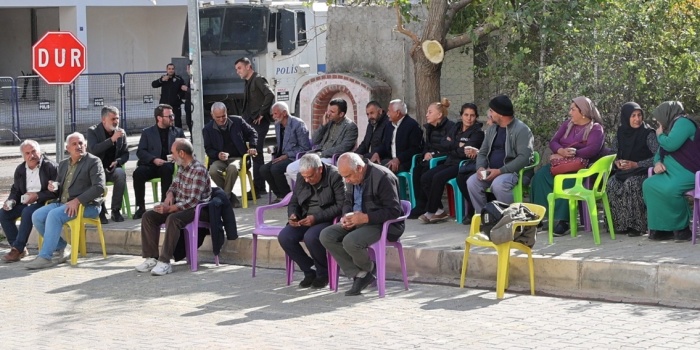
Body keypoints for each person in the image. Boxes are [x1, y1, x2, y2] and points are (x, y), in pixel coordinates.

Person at [319, 153, 404, 296]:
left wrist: (365, 218)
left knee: (350, 241)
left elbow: (394, 211)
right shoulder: (351, 177)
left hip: (382, 224)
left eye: (348, 176)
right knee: (326, 235)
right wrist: (346, 216)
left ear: (359, 168)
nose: (346, 180)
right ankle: (362, 272)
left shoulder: (383, 177)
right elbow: (347, 201)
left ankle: (367, 270)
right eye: (344, 177)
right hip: (358, 220)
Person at [27, 132, 105, 270]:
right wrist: (53, 186)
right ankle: (63, 246)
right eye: (74, 144)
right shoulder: (63, 164)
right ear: (67, 148)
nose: (78, 146)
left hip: (87, 205)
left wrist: (78, 201)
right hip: (63, 203)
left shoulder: (93, 162)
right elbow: (60, 188)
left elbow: (99, 187)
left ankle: (45, 257)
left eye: (81, 143)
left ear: (85, 145)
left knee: (54, 215)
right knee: (37, 216)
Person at [135, 138, 212, 275]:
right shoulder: (182, 168)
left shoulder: (198, 170)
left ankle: (165, 262)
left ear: (182, 153)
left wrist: (169, 209)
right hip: (180, 206)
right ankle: (152, 257)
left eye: (173, 153)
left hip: (197, 209)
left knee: (173, 218)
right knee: (149, 216)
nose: (171, 156)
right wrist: (170, 194)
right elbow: (174, 186)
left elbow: (192, 201)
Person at [530, 96, 604, 236]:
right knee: (539, 177)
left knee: (567, 182)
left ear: (583, 112)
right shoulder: (567, 125)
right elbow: (554, 142)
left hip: (580, 168)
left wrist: (570, 154)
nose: (570, 112)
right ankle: (537, 216)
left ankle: (564, 221)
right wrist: (560, 151)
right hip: (561, 164)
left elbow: (592, 149)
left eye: (573, 109)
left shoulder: (595, 129)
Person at [278, 154, 345, 289]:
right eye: (304, 177)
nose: (307, 180)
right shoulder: (302, 176)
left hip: (326, 218)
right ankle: (309, 270)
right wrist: (293, 215)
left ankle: (323, 273)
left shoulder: (335, 175)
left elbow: (340, 205)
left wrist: (316, 218)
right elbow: (294, 201)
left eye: (310, 176)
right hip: (305, 216)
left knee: (311, 237)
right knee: (285, 237)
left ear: (319, 169)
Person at [466, 95, 535, 216]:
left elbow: (524, 158)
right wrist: (480, 167)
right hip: (491, 171)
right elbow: (482, 152)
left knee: (498, 185)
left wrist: (500, 171)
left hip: (514, 172)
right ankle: (485, 217)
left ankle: (510, 218)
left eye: (492, 111)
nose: (490, 114)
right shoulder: (493, 129)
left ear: (500, 114)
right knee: (472, 182)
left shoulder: (522, 130)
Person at [643, 101, 700, 242]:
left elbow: (670, 144)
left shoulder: (683, 123)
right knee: (649, 185)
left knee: (671, 189)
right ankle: (662, 229)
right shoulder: (670, 128)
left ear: (666, 114)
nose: (658, 122)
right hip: (670, 173)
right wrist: (658, 163)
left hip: (688, 171)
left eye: (659, 117)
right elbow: (659, 153)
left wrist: (660, 135)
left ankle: (682, 229)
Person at [420, 103, 484, 224]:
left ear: (476, 117)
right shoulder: (456, 127)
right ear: (461, 115)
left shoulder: (477, 133)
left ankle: (431, 212)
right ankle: (439, 210)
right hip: (449, 161)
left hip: (462, 165)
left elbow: (465, 153)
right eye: (466, 115)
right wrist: (458, 145)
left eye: (472, 115)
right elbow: (444, 143)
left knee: (438, 177)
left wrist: (453, 146)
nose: (469, 118)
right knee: (425, 177)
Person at [606, 102, 658, 237]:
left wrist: (637, 164)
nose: (637, 119)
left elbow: (658, 157)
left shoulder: (648, 133)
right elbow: (614, 153)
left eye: (639, 115)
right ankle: (619, 224)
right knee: (612, 184)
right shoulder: (621, 132)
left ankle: (637, 226)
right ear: (626, 117)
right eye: (633, 116)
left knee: (632, 183)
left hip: (643, 172)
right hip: (624, 171)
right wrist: (617, 162)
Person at [0, 140, 58, 262]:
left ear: (39, 152)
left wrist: (37, 195)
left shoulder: (50, 166)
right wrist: (11, 201)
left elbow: (56, 191)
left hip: (44, 202)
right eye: (27, 153)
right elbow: (16, 190)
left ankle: (17, 249)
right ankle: (18, 247)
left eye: (33, 151)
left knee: (27, 212)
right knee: (3, 213)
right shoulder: (20, 169)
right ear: (23, 156)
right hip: (25, 202)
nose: (31, 155)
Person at [132, 104, 186, 219]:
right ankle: (140, 207)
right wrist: (153, 159)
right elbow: (140, 151)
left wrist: (176, 156)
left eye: (173, 116)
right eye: (169, 116)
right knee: (138, 173)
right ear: (159, 118)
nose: (172, 118)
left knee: (166, 170)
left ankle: (165, 204)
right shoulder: (147, 132)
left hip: (168, 165)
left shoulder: (177, 132)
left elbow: (185, 150)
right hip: (151, 164)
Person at [285, 98, 358, 181]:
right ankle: (308, 190)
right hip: (317, 155)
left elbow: (343, 148)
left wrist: (322, 154)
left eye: (332, 112)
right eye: (328, 110)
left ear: (341, 114)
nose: (328, 114)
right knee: (291, 169)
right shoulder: (329, 121)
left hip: (332, 158)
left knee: (311, 170)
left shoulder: (351, 127)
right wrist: (323, 126)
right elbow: (315, 140)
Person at [203, 102, 258, 208]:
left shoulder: (237, 121)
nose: (221, 119)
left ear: (226, 113)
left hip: (238, 157)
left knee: (232, 168)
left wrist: (252, 146)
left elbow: (253, 133)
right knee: (213, 170)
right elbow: (208, 149)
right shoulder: (207, 129)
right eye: (218, 117)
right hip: (220, 159)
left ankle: (225, 198)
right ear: (212, 115)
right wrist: (218, 154)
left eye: (223, 116)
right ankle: (230, 197)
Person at [235, 57, 275, 198]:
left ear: (248, 66)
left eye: (239, 68)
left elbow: (270, 95)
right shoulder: (248, 82)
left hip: (258, 123)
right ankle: (258, 186)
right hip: (250, 122)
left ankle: (258, 188)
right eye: (236, 69)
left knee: (256, 153)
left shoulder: (258, 79)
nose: (237, 71)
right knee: (252, 153)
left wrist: (262, 113)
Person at [409, 98, 455, 219]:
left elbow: (449, 148)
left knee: (426, 173)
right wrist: (426, 153)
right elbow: (427, 146)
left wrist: (434, 155)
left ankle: (431, 207)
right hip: (431, 159)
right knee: (417, 170)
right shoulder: (430, 128)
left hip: (443, 160)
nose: (426, 114)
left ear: (439, 115)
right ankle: (422, 205)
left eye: (430, 112)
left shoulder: (451, 127)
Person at [259, 101, 311, 201]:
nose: (273, 116)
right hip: (282, 157)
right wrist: (274, 148)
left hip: (294, 157)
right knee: (263, 169)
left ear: (284, 113)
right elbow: (282, 144)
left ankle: (286, 195)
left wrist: (287, 155)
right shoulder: (278, 124)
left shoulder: (298, 124)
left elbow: (305, 148)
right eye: (272, 114)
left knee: (275, 169)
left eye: (275, 113)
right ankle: (279, 195)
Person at [86, 106, 129, 223]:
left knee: (121, 174)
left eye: (117, 118)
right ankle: (100, 210)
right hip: (96, 170)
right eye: (113, 119)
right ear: (104, 120)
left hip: (113, 168)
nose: (116, 122)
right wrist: (111, 140)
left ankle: (115, 210)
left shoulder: (121, 133)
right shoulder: (93, 131)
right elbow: (94, 149)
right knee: (99, 179)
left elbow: (126, 154)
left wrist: (118, 161)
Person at [376, 99, 423, 173]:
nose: (387, 114)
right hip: (390, 159)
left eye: (389, 111)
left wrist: (399, 159)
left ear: (398, 113)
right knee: (370, 164)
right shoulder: (389, 125)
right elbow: (385, 144)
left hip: (405, 161)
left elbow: (415, 149)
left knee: (382, 171)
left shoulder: (412, 125)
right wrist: (377, 153)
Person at [152, 63, 188, 129]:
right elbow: (153, 85)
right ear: (167, 70)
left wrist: (178, 97)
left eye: (172, 69)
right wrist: (161, 80)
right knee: (165, 122)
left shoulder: (178, 79)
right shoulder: (163, 78)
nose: (171, 70)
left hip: (175, 105)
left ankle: (179, 137)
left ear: (174, 70)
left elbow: (184, 90)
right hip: (165, 106)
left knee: (177, 123)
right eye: (169, 69)